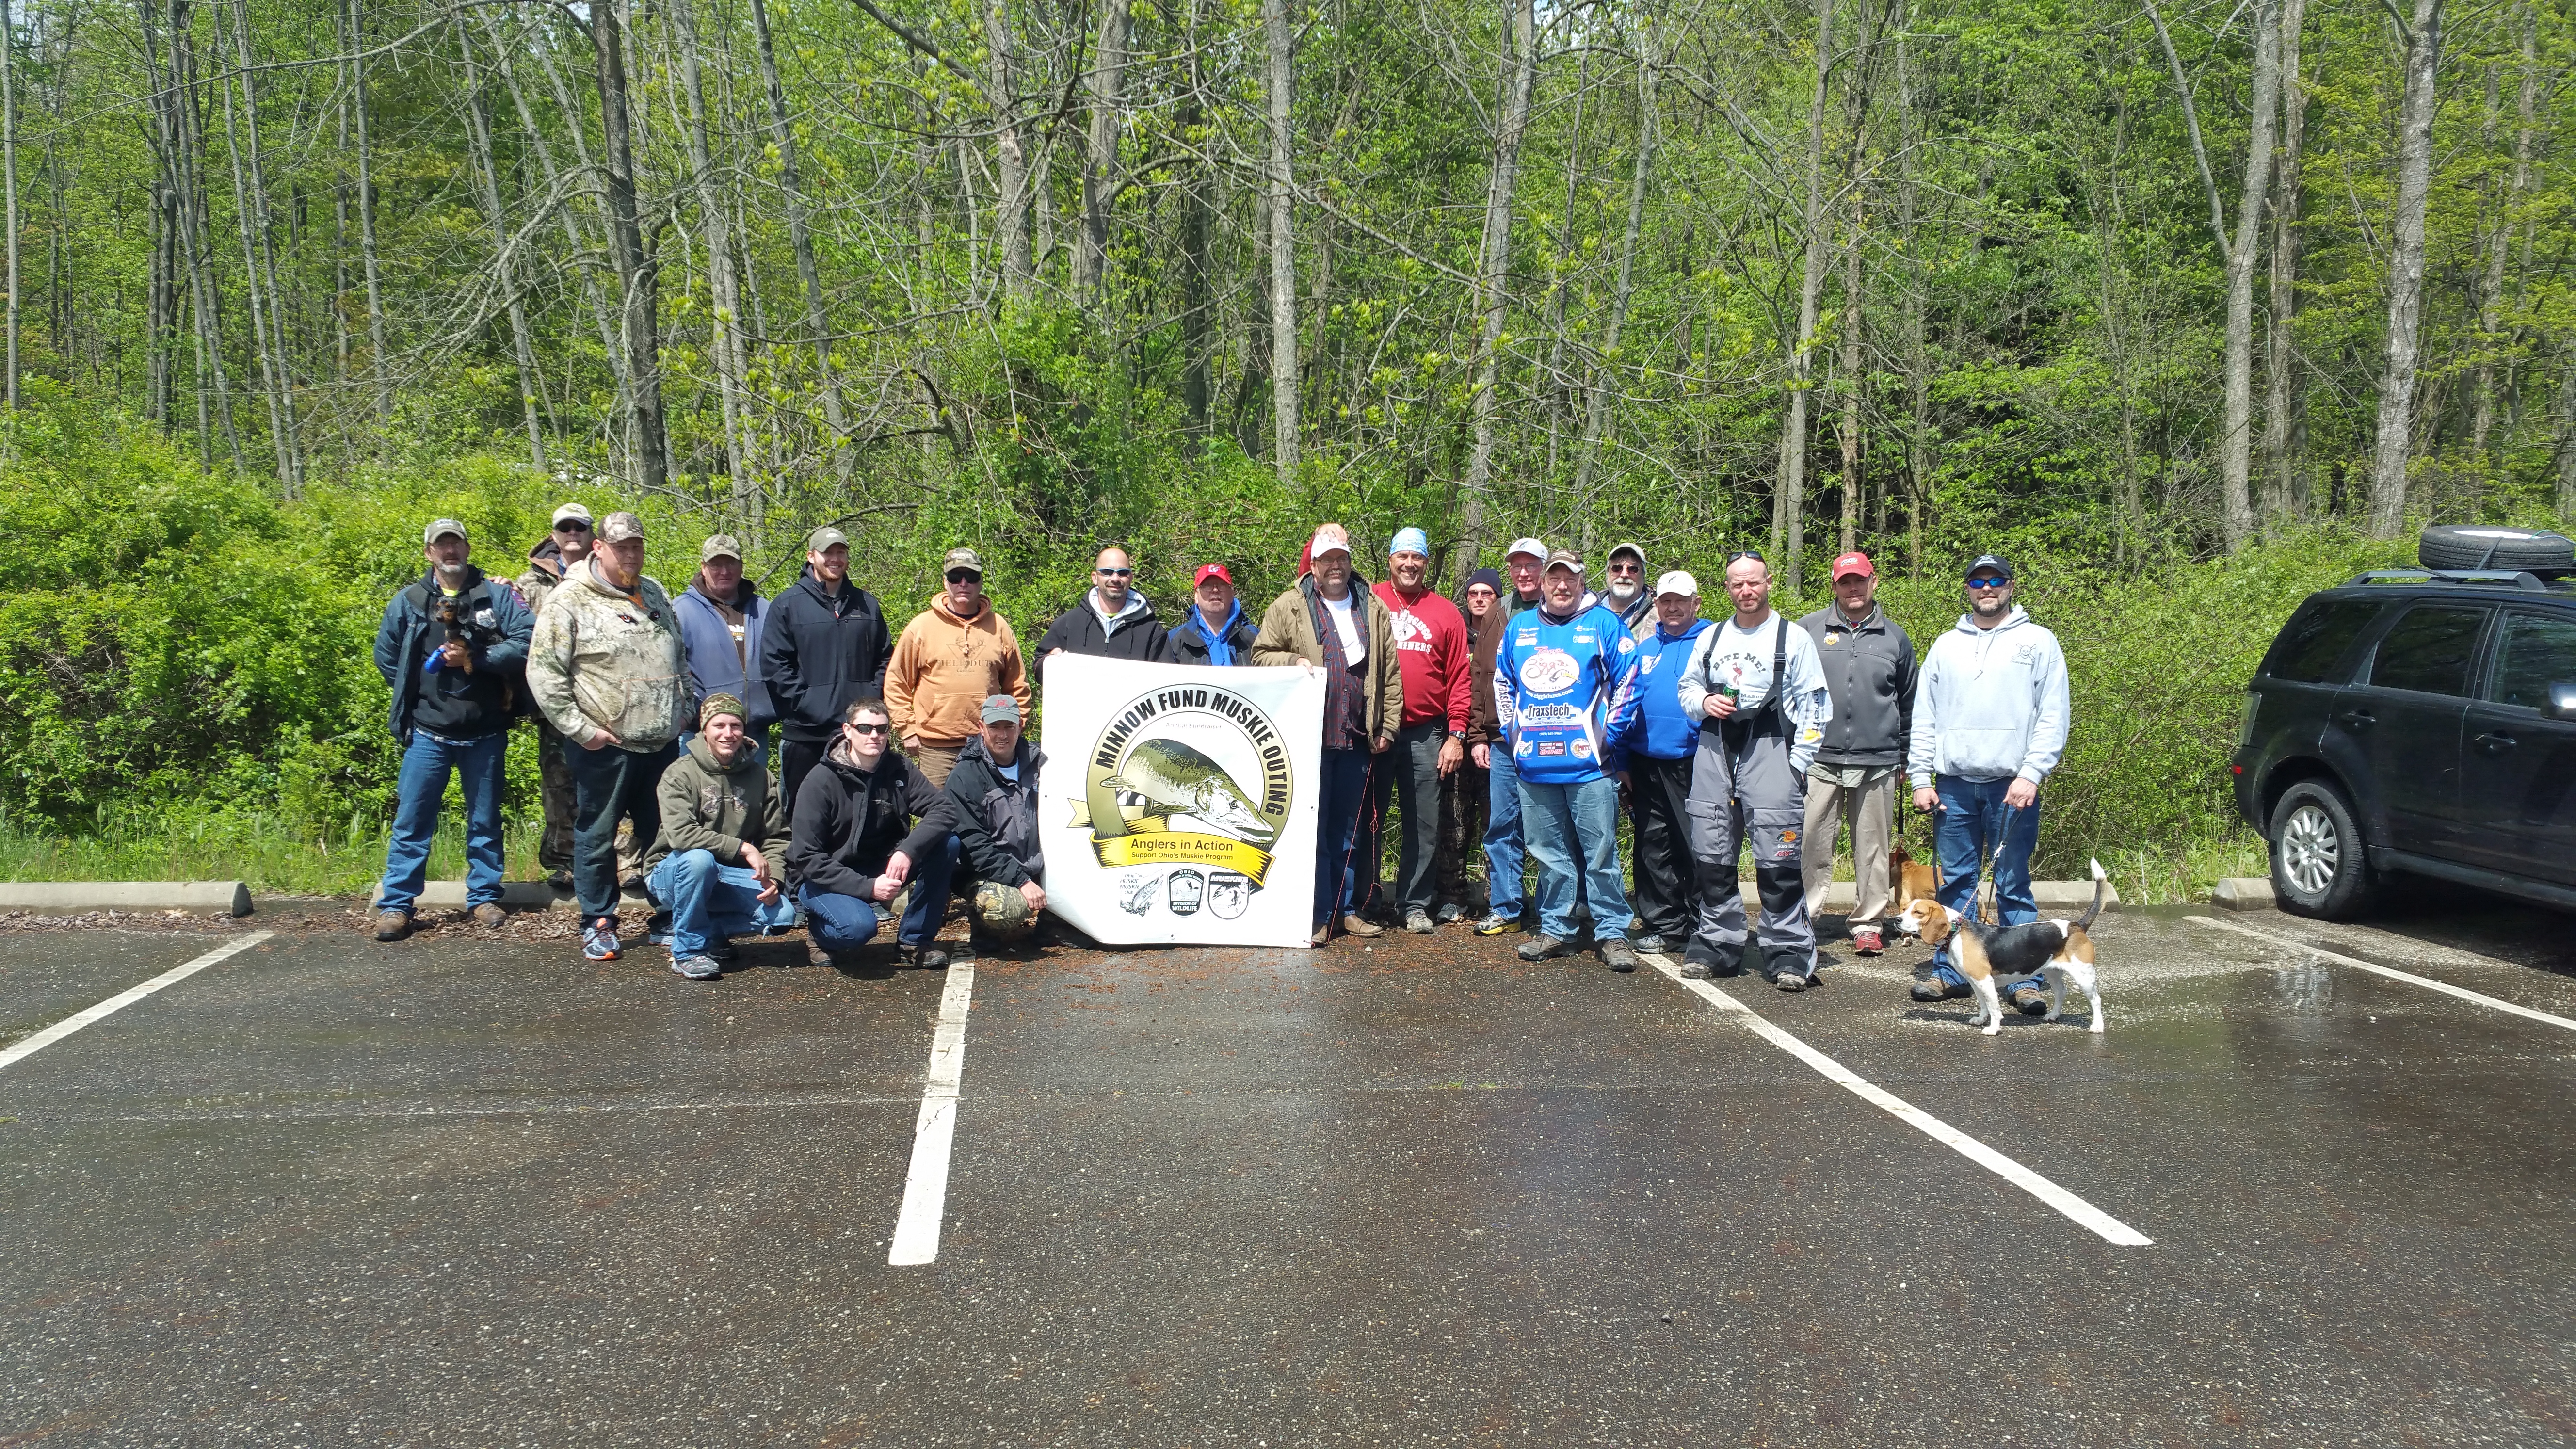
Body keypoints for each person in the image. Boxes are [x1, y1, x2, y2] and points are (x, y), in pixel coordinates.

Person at [1907, 553, 2071, 1013]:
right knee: (1955, 884)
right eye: (1978, 581)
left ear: (2011, 586)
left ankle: (2026, 978)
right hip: (1954, 786)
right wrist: (1921, 777)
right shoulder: (1945, 646)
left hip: (2012, 786)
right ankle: (1950, 973)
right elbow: (1925, 717)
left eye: (1995, 580)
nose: (1987, 588)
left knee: (2012, 882)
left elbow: (2053, 715)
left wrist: (2032, 772)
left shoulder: (2038, 643)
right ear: (1967, 589)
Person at [525, 510, 690, 963]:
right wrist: (582, 731)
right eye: (622, 547)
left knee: (663, 833)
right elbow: (544, 674)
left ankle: (668, 917)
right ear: (599, 548)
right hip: (605, 745)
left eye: (637, 545)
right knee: (597, 834)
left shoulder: (653, 592)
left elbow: (680, 658)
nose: (631, 554)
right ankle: (598, 921)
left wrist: (685, 710)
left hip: (660, 744)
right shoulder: (570, 600)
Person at [1674, 552, 1834, 988]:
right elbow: (1686, 688)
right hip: (1714, 750)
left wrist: (1797, 765)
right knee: (1712, 857)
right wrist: (1704, 703)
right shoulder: (1710, 638)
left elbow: (1817, 707)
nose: (1746, 591)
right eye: (1737, 584)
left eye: (1754, 583)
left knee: (1778, 861)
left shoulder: (1793, 638)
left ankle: (1788, 953)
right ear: (1727, 589)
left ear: (1768, 583)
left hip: (1773, 750)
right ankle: (1716, 945)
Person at [371, 518, 533, 942]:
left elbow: (526, 642)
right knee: (412, 820)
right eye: (441, 546)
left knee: (485, 820)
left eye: (455, 544)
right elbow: (386, 656)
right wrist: (421, 687)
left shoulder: (495, 595)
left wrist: (475, 659)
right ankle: (396, 905)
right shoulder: (409, 601)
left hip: (485, 730)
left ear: (466, 548)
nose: (449, 552)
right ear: (429, 553)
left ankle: (483, 897)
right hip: (428, 732)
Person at [1251, 523, 1401, 944]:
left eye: (1342, 559)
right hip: (1308, 740)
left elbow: (1389, 672)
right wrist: (1293, 661)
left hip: (1358, 737)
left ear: (1350, 563)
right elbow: (1260, 656)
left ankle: (1346, 909)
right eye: (1327, 560)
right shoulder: (1290, 606)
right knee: (1311, 832)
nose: (1335, 567)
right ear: (1313, 566)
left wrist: (1387, 725)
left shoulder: (1372, 607)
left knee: (1349, 830)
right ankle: (1317, 914)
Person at [1493, 548, 1642, 972]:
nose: (1561, 586)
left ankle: (1613, 932)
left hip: (1590, 766)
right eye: (1554, 579)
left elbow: (1630, 680)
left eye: (1570, 579)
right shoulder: (1520, 627)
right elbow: (1502, 683)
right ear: (1542, 584)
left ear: (1581, 583)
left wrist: (1608, 738)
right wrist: (1513, 734)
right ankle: (1556, 927)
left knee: (1601, 853)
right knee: (1547, 852)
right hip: (1534, 767)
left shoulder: (1603, 624)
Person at [1797, 551, 1918, 957]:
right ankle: (1803, 919)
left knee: (1873, 849)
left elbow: (1909, 705)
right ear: (1834, 585)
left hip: (1878, 760)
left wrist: (1905, 758)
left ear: (1874, 582)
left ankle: (1868, 923)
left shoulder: (1896, 639)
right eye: (1845, 581)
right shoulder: (1808, 630)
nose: (1853, 588)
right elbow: (1789, 695)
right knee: (1812, 843)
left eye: (1860, 580)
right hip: (1819, 758)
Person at [789, 694, 959, 970]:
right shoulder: (820, 781)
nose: (874, 736)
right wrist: (869, 888)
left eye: (881, 729)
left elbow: (944, 810)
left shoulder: (899, 768)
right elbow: (806, 857)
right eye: (865, 729)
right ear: (848, 731)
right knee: (857, 931)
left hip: (883, 867)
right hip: (827, 878)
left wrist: (907, 851)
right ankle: (820, 933)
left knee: (947, 843)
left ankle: (913, 943)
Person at [1357, 527, 1472, 934]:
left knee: (1423, 823)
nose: (1409, 564)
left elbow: (1460, 676)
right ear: (1389, 560)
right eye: (1402, 556)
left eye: (1417, 558)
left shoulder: (1446, 613)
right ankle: (1365, 901)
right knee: (1366, 818)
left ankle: (1414, 903)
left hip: (1427, 732)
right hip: (1374, 730)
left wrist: (1457, 733)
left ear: (1426, 563)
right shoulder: (1367, 601)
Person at [643, 693, 795, 979]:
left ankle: (710, 933)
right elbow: (681, 836)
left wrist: (773, 877)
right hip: (671, 871)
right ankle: (688, 952)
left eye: (736, 726)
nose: (729, 734)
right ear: (705, 730)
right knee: (700, 861)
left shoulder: (762, 777)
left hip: (725, 875)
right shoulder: (680, 774)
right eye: (719, 725)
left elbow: (777, 836)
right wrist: (744, 849)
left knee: (783, 915)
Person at [761, 525, 893, 814]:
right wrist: (810, 703)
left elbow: (886, 659)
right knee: (802, 813)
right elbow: (775, 665)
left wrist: (869, 698)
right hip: (806, 734)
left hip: (859, 734)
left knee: (858, 811)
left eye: (841, 553)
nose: (835, 559)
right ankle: (800, 862)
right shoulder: (787, 605)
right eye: (827, 553)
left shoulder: (867, 605)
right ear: (811, 557)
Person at [1613, 571, 1712, 956]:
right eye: (1666, 601)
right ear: (1656, 605)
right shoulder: (1644, 649)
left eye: (1681, 601)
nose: (1672, 608)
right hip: (1644, 762)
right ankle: (1665, 925)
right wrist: (1620, 759)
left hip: (1693, 761)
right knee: (1652, 845)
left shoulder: (1711, 642)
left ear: (1696, 603)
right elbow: (1625, 706)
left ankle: (1703, 923)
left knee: (1695, 845)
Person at [887, 547, 1032, 787]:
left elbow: (1018, 685)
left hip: (989, 744)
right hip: (935, 748)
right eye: (956, 577)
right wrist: (907, 729)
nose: (963, 583)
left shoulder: (1000, 627)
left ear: (981, 581)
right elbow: (896, 682)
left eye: (971, 577)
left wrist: (1016, 727)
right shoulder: (921, 627)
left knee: (992, 814)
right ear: (945, 582)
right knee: (938, 817)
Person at [1470, 538, 1550, 935]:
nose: (1523, 573)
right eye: (1516, 566)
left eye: (1531, 566)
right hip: (1503, 738)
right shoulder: (1498, 613)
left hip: (1553, 736)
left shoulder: (1563, 611)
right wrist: (1478, 735)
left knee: (1550, 826)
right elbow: (1481, 677)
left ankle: (1558, 911)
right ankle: (1505, 907)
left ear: (1545, 569)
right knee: (1502, 826)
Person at [516, 502, 597, 890]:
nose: (572, 533)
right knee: (559, 784)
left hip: (601, 700)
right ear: (554, 535)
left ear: (591, 534)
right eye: (565, 528)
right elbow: (513, 638)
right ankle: (564, 862)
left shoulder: (610, 575)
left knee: (607, 783)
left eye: (580, 527)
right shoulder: (527, 586)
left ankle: (620, 862)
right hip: (553, 704)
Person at [945, 693, 1047, 954]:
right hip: (990, 872)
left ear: (1021, 726)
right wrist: (1022, 881)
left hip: (1042, 866)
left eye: (1009, 727)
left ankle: (1056, 925)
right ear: (981, 728)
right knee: (1003, 908)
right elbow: (976, 848)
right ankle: (983, 925)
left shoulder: (1043, 765)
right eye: (994, 727)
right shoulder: (965, 776)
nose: (1002, 735)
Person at [1434, 567, 1503, 922]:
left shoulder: (1508, 634)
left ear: (1497, 598)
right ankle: (1452, 896)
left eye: (1487, 594)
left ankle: (1498, 898)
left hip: (1497, 745)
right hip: (1457, 741)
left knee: (1498, 826)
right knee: (1455, 825)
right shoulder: (1455, 634)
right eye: (1473, 593)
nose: (1479, 599)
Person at [674, 534, 774, 747]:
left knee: (755, 782)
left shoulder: (764, 609)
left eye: (731, 563)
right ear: (703, 567)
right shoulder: (682, 610)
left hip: (755, 731)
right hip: (700, 733)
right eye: (716, 565)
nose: (725, 571)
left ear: (741, 566)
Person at [1037, 547, 1175, 662]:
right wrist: (1051, 662)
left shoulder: (1152, 631)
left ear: (1131, 578)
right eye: (1107, 572)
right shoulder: (1070, 623)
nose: (1115, 579)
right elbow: (1040, 663)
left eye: (1123, 573)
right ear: (1095, 578)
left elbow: (1165, 681)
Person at [1169, 563, 1258, 665]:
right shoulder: (1174, 641)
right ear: (1196, 596)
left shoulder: (1254, 637)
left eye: (1222, 585)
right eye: (1207, 586)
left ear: (1232, 593)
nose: (1215, 590)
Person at [1600, 542, 1654, 638]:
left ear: (1643, 575)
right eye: (1617, 568)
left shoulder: (1661, 611)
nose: (1624, 574)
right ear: (1607, 573)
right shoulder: (1587, 609)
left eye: (1633, 569)